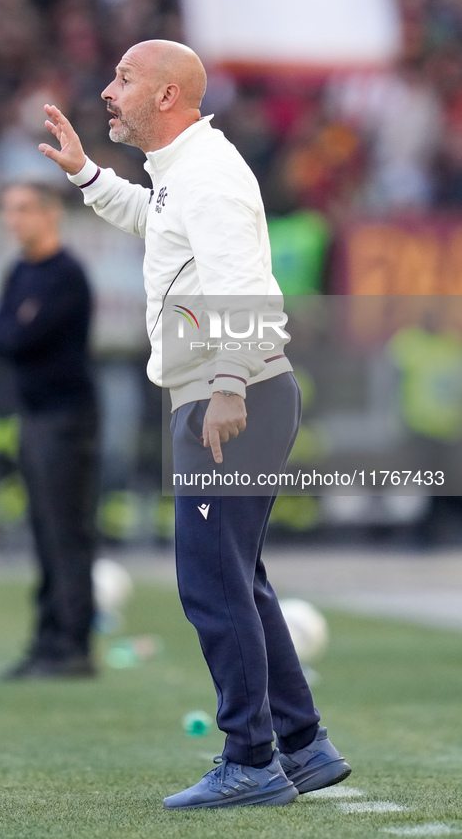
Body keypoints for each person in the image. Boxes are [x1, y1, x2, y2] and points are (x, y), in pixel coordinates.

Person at [38, 40, 351, 808]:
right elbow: (159, 224)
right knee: (237, 579)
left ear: (168, 97)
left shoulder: (206, 174)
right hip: (235, 394)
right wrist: (86, 176)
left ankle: (249, 760)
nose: (109, 91)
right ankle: (303, 745)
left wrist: (225, 385)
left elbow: (242, 285)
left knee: (211, 584)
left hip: (229, 399)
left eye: (124, 79)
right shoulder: (186, 173)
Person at [0, 182, 98, 679]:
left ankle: (72, 645)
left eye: (24, 209)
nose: (14, 220)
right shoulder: (19, 272)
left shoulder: (66, 275)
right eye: (9, 211)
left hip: (66, 417)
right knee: (43, 532)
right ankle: (47, 638)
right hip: (33, 416)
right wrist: (15, 329)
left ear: (52, 215)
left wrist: (17, 329)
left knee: (66, 532)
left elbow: (22, 335)